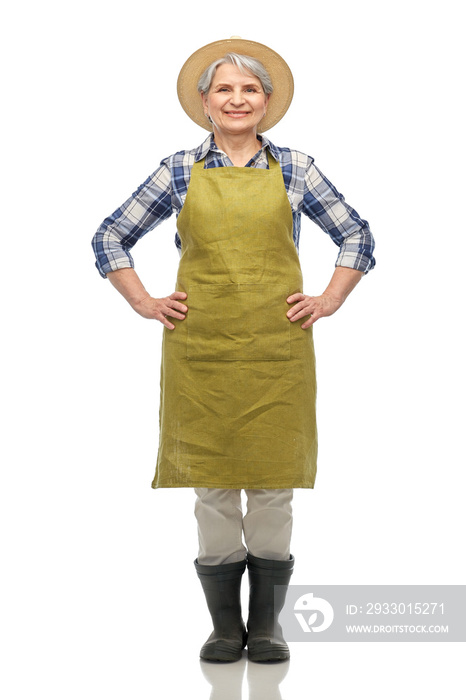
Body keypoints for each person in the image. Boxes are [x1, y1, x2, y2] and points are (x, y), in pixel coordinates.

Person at [92, 37, 375, 663]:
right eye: (225, 88)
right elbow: (110, 236)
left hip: (278, 351)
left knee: (273, 489)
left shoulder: (297, 168)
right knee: (214, 490)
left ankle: (267, 628)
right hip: (201, 354)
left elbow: (358, 235)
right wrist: (145, 302)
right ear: (205, 103)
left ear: (267, 103)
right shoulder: (176, 170)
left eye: (250, 89)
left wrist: (327, 299)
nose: (238, 99)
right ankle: (225, 629)